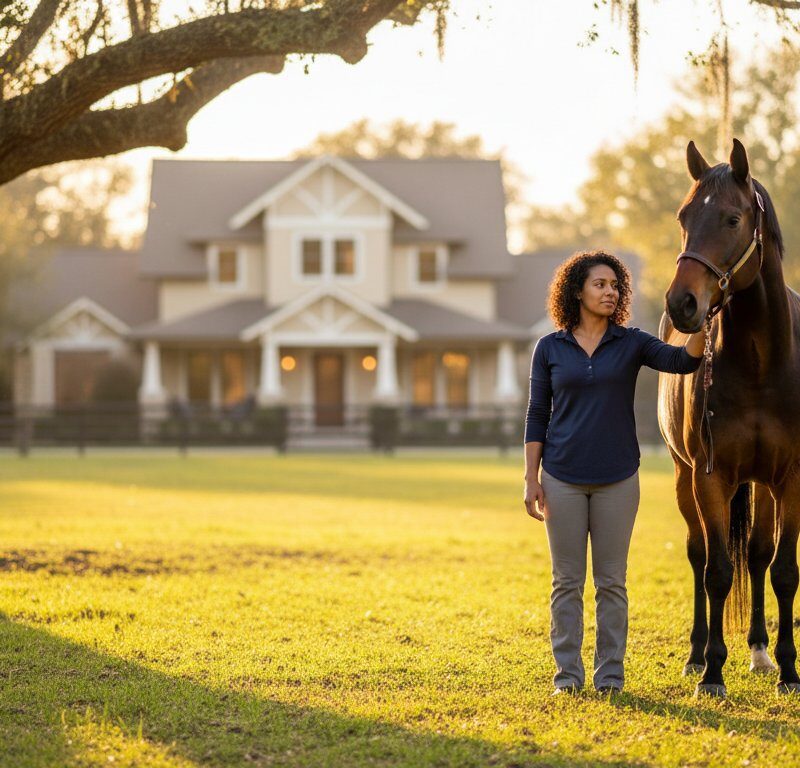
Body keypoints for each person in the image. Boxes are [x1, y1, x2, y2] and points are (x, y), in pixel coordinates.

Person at [523, 250, 704, 695]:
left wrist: (703, 322)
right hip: (561, 478)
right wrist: (531, 478)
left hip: (619, 480)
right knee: (566, 583)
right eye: (599, 284)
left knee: (612, 583)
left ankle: (610, 677)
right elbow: (536, 415)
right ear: (577, 291)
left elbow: (683, 362)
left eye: (614, 285)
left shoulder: (633, 341)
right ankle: (567, 677)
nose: (610, 292)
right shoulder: (550, 348)